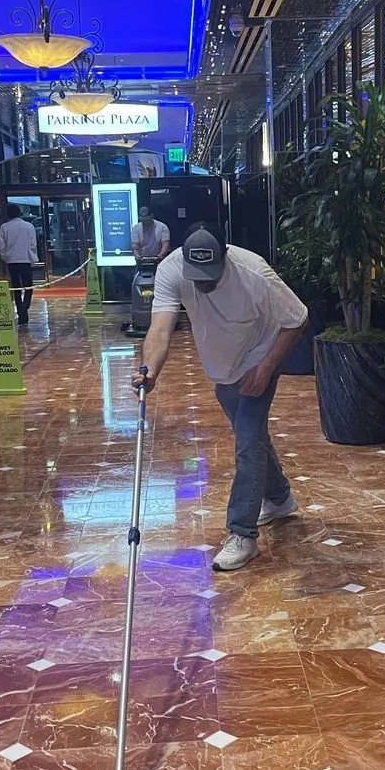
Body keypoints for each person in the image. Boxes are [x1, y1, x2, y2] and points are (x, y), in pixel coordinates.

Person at [132, 221, 308, 572]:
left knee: (247, 442)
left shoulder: (254, 273)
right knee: (252, 439)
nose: (204, 283)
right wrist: (149, 371)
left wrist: (267, 367)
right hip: (222, 368)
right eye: (197, 275)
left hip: (258, 358)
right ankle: (280, 498)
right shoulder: (171, 270)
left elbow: (298, 318)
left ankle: (242, 533)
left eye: (210, 274)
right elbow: (161, 329)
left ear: (225, 257)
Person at [0, 203, 39, 326]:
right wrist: (32, 259)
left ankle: (21, 308)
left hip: (11, 260)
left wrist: (5, 257)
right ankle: (24, 308)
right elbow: (33, 245)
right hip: (26, 259)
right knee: (28, 286)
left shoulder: (4, 227)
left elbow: (2, 247)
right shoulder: (29, 226)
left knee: (16, 287)